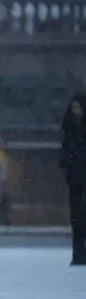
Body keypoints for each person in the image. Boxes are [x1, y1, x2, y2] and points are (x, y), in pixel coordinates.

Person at [61, 94, 86, 265]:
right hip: (75, 179)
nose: (76, 111)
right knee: (77, 219)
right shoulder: (69, 129)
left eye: (78, 107)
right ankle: (78, 255)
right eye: (74, 108)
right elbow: (65, 151)